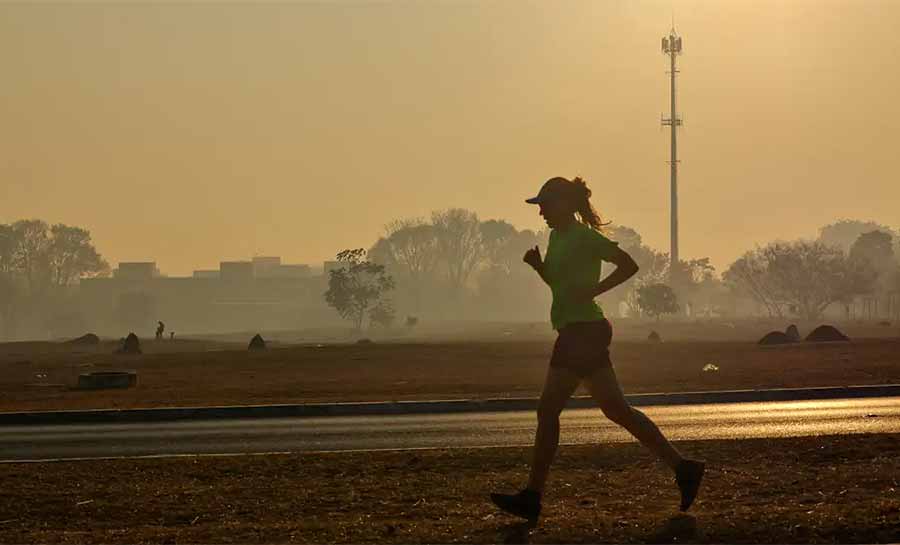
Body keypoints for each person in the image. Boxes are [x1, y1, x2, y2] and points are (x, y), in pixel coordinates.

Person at [490, 176, 705, 522]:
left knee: (547, 410)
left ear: (563, 204)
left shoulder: (585, 237)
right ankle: (684, 468)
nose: (540, 211)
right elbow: (561, 285)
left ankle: (532, 496)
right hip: (580, 329)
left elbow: (629, 265)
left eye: (544, 204)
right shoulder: (556, 237)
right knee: (617, 410)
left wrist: (596, 291)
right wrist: (539, 268)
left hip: (582, 333)